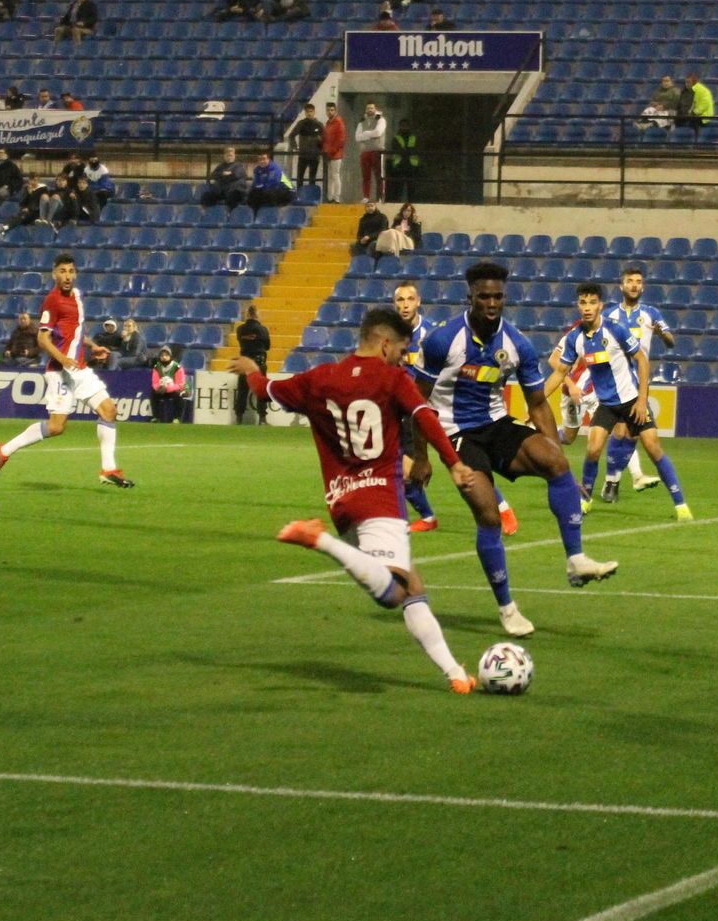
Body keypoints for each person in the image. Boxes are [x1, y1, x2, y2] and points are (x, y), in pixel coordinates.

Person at [233, 308, 480, 694]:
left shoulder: (318, 378)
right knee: (395, 593)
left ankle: (455, 674)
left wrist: (250, 368)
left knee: (413, 585)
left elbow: (263, 388)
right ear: (384, 344)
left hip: (342, 503)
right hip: (380, 498)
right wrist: (454, 462)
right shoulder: (393, 378)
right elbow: (424, 415)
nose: (404, 356)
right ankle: (317, 539)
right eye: (402, 349)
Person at [410, 261, 622, 637]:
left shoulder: (516, 343)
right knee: (490, 517)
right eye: (484, 296)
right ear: (471, 297)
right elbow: (417, 401)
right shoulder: (443, 340)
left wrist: (562, 465)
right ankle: (507, 609)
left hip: (495, 424)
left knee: (555, 460)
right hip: (455, 433)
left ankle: (576, 559)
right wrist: (423, 457)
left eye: (497, 296)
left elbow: (539, 405)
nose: (491, 303)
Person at [543, 282, 691, 524]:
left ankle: (681, 505)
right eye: (583, 302)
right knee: (592, 449)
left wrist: (643, 400)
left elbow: (642, 361)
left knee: (653, 449)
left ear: (600, 306)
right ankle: (585, 500)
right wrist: (536, 400)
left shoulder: (617, 330)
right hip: (608, 405)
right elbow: (559, 372)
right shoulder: (575, 338)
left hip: (632, 401)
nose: (587, 307)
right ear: (578, 306)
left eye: (592, 303)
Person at [0, 254, 134, 488]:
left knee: (109, 410)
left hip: (79, 368)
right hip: (60, 371)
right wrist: (63, 359)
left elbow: (73, 332)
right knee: (56, 427)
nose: (67, 276)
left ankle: (109, 469)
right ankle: (4, 450)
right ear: (54, 274)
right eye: (62, 271)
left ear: (75, 274)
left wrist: (92, 346)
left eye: (71, 271)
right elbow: (43, 339)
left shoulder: (77, 296)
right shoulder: (52, 301)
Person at [393, 280, 518, 536]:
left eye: (409, 299)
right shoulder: (390, 335)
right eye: (400, 300)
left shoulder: (433, 335)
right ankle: (427, 517)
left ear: (418, 302)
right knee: (399, 466)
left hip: (438, 410)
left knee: (457, 463)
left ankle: (502, 506)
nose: (405, 305)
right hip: (404, 410)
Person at [600, 265, 674, 501]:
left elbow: (671, 342)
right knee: (622, 431)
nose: (634, 284)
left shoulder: (651, 313)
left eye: (638, 281)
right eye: (630, 281)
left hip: (640, 381)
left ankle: (612, 481)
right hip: (617, 380)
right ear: (621, 286)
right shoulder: (609, 314)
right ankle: (611, 483)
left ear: (642, 286)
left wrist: (663, 334)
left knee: (631, 435)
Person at [232, 306, 271, 424]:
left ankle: (239, 417)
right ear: (257, 315)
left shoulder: (240, 329)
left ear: (247, 314)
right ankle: (262, 418)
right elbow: (267, 346)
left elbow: (241, 341)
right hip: (259, 362)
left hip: (245, 362)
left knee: (242, 391)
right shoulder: (263, 330)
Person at [356, 103, 387, 202]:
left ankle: (381, 197)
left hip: (377, 151)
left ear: (375, 109)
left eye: (371, 108)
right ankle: (366, 197)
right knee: (365, 176)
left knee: (379, 176)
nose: (370, 109)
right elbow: (357, 137)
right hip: (365, 151)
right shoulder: (362, 121)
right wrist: (371, 134)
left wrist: (365, 134)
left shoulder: (381, 120)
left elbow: (378, 132)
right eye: (368, 108)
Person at [290, 103, 325, 189]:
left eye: (311, 111)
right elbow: (291, 136)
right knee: (300, 178)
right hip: (303, 155)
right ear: (305, 113)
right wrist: (295, 147)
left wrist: (321, 149)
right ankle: (298, 196)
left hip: (314, 155)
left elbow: (325, 139)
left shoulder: (319, 125)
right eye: (307, 112)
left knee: (312, 179)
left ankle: (311, 197)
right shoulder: (301, 124)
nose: (309, 113)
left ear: (314, 112)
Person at [384, 119, 420, 203]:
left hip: (411, 166)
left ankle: (412, 204)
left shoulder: (414, 138)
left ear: (409, 127)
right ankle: (397, 203)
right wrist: (408, 151)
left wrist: (405, 151)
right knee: (398, 187)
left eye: (406, 125)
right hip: (399, 166)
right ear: (400, 127)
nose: (404, 127)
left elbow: (417, 148)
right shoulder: (396, 138)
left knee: (412, 187)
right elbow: (397, 148)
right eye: (402, 126)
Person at [149, 346, 186, 422]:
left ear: (170, 356)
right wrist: (159, 388)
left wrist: (168, 388)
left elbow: (180, 384)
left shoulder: (178, 368)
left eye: (166, 355)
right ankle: (156, 417)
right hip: (161, 390)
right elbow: (154, 382)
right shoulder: (157, 367)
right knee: (153, 393)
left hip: (173, 390)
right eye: (162, 355)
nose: (164, 357)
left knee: (180, 394)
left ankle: (177, 418)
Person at [322, 101, 347, 203]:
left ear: (335, 111)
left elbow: (341, 140)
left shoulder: (339, 122)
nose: (329, 112)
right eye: (328, 110)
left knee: (335, 175)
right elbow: (326, 139)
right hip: (328, 153)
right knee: (330, 177)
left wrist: (331, 151)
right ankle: (330, 197)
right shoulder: (328, 123)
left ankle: (337, 198)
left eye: (332, 110)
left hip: (336, 154)